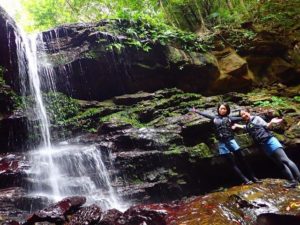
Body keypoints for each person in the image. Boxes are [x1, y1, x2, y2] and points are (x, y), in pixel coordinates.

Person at [190, 103, 259, 184]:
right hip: (222, 143)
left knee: (242, 160)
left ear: (227, 110)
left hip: (231, 141)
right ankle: (245, 180)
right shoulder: (214, 118)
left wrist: (249, 115)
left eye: (224, 109)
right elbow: (206, 115)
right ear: (218, 109)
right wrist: (196, 111)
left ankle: (253, 177)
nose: (222, 110)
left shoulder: (230, 118)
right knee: (232, 164)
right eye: (220, 108)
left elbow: (242, 118)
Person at [232, 107, 300, 188]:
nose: (243, 115)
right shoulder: (248, 124)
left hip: (270, 142)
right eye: (241, 115)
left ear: (248, 112)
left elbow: (267, 126)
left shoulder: (256, 118)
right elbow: (245, 127)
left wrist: (271, 122)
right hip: (264, 145)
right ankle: (292, 181)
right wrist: (236, 125)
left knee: (285, 160)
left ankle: (298, 178)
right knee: (280, 164)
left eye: (244, 113)